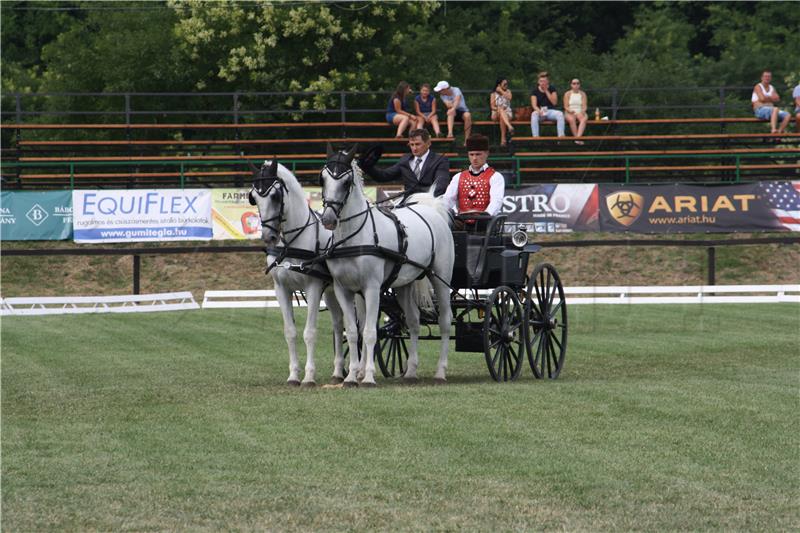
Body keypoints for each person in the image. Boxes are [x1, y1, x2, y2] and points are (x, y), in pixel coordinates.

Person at [359, 128, 450, 199]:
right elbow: (384, 176)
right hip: (408, 204)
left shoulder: (440, 160)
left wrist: (422, 200)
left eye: (418, 144)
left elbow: (440, 187)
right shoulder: (405, 160)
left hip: (432, 204)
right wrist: (367, 166)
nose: (414, 148)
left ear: (428, 143)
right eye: (411, 144)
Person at [442, 134, 505, 217]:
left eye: (478, 154)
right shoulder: (458, 177)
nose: (474, 158)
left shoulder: (496, 177)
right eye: (471, 155)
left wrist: (486, 216)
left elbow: (496, 201)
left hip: (486, 221)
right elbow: (448, 199)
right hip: (461, 222)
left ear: (486, 154)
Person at [529, 71, 565, 138]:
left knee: (560, 114)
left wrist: (546, 91)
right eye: (541, 81)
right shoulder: (535, 91)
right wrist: (539, 111)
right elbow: (534, 105)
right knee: (533, 114)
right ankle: (535, 137)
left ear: (547, 81)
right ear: (538, 82)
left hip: (550, 111)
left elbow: (554, 102)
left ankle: (561, 136)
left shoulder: (552, 89)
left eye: (544, 81)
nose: (542, 83)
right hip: (540, 111)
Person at [490, 77, 515, 147]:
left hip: (507, 113)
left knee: (502, 116)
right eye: (504, 84)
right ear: (499, 85)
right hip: (495, 113)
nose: (506, 86)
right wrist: (498, 109)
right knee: (500, 109)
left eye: (507, 84)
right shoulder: (493, 94)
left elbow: (509, 98)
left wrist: (501, 91)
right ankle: (509, 126)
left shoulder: (508, 91)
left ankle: (503, 140)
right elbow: (492, 106)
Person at [563, 78, 588, 144]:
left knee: (584, 119)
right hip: (570, 111)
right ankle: (577, 139)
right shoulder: (567, 94)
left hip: (580, 111)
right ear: (571, 85)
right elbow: (565, 106)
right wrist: (570, 111)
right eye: (574, 83)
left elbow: (585, 106)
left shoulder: (583, 94)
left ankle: (577, 138)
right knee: (571, 119)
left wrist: (582, 111)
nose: (576, 85)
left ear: (579, 85)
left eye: (577, 83)